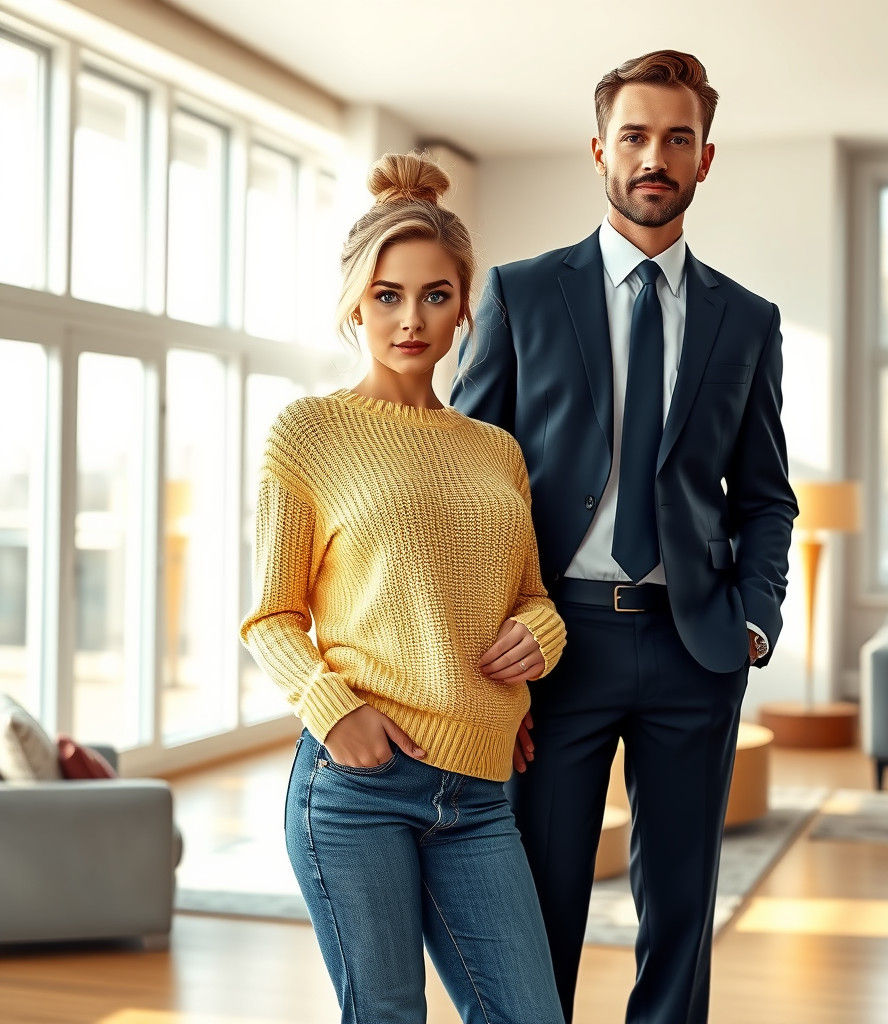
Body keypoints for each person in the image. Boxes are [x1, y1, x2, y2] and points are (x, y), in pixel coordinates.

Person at [452, 50, 799, 1024]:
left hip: (696, 646)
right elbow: (482, 488)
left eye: (676, 139)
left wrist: (752, 622)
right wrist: (495, 653)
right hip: (556, 643)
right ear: (599, 150)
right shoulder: (522, 295)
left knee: (680, 908)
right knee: (542, 897)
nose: (655, 156)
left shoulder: (746, 321)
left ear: (705, 158)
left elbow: (765, 497)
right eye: (636, 136)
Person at [240, 152, 567, 1024]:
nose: (410, 318)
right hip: (357, 785)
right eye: (387, 294)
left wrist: (545, 635)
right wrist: (331, 707)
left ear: (465, 305)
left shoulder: (494, 448)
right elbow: (270, 616)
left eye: (434, 294)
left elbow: (531, 594)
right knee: (387, 1015)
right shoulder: (308, 431)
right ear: (355, 301)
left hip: (481, 790)